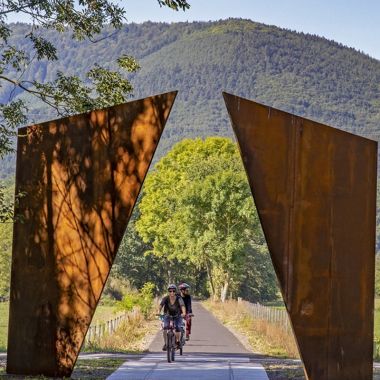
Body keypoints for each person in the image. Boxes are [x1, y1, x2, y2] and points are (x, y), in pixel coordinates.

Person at [158, 284, 186, 351]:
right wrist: (158, 312)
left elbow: (182, 306)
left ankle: (178, 341)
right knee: (165, 328)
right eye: (170, 291)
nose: (172, 292)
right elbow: (160, 305)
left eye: (173, 291)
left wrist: (184, 313)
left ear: (175, 291)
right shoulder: (165, 298)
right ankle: (166, 344)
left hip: (177, 315)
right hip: (167, 315)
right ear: (168, 291)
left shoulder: (179, 298)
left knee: (178, 327)